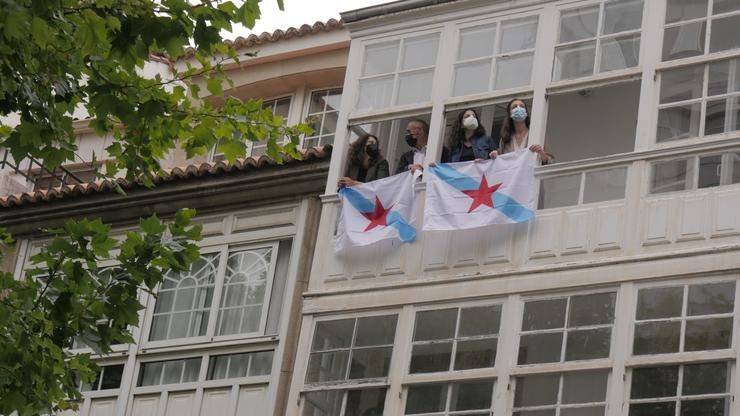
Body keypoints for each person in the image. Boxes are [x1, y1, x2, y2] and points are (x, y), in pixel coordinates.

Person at [489, 98, 552, 164]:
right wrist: (495, 157)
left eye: (522, 106)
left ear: (526, 112)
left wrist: (541, 153)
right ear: (510, 114)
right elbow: (500, 163)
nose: (518, 108)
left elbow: (550, 162)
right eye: (514, 107)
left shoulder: (536, 134)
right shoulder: (505, 139)